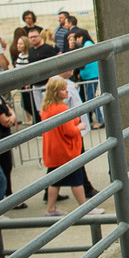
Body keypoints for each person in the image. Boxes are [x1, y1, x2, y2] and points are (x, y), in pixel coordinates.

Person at [39, 76, 105, 217]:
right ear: (55, 92)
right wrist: (79, 126)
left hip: (53, 151)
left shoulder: (46, 108)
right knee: (77, 180)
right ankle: (84, 208)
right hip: (66, 151)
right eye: (63, 90)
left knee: (54, 181)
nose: (67, 92)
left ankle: (50, 209)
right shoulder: (61, 109)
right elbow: (68, 131)